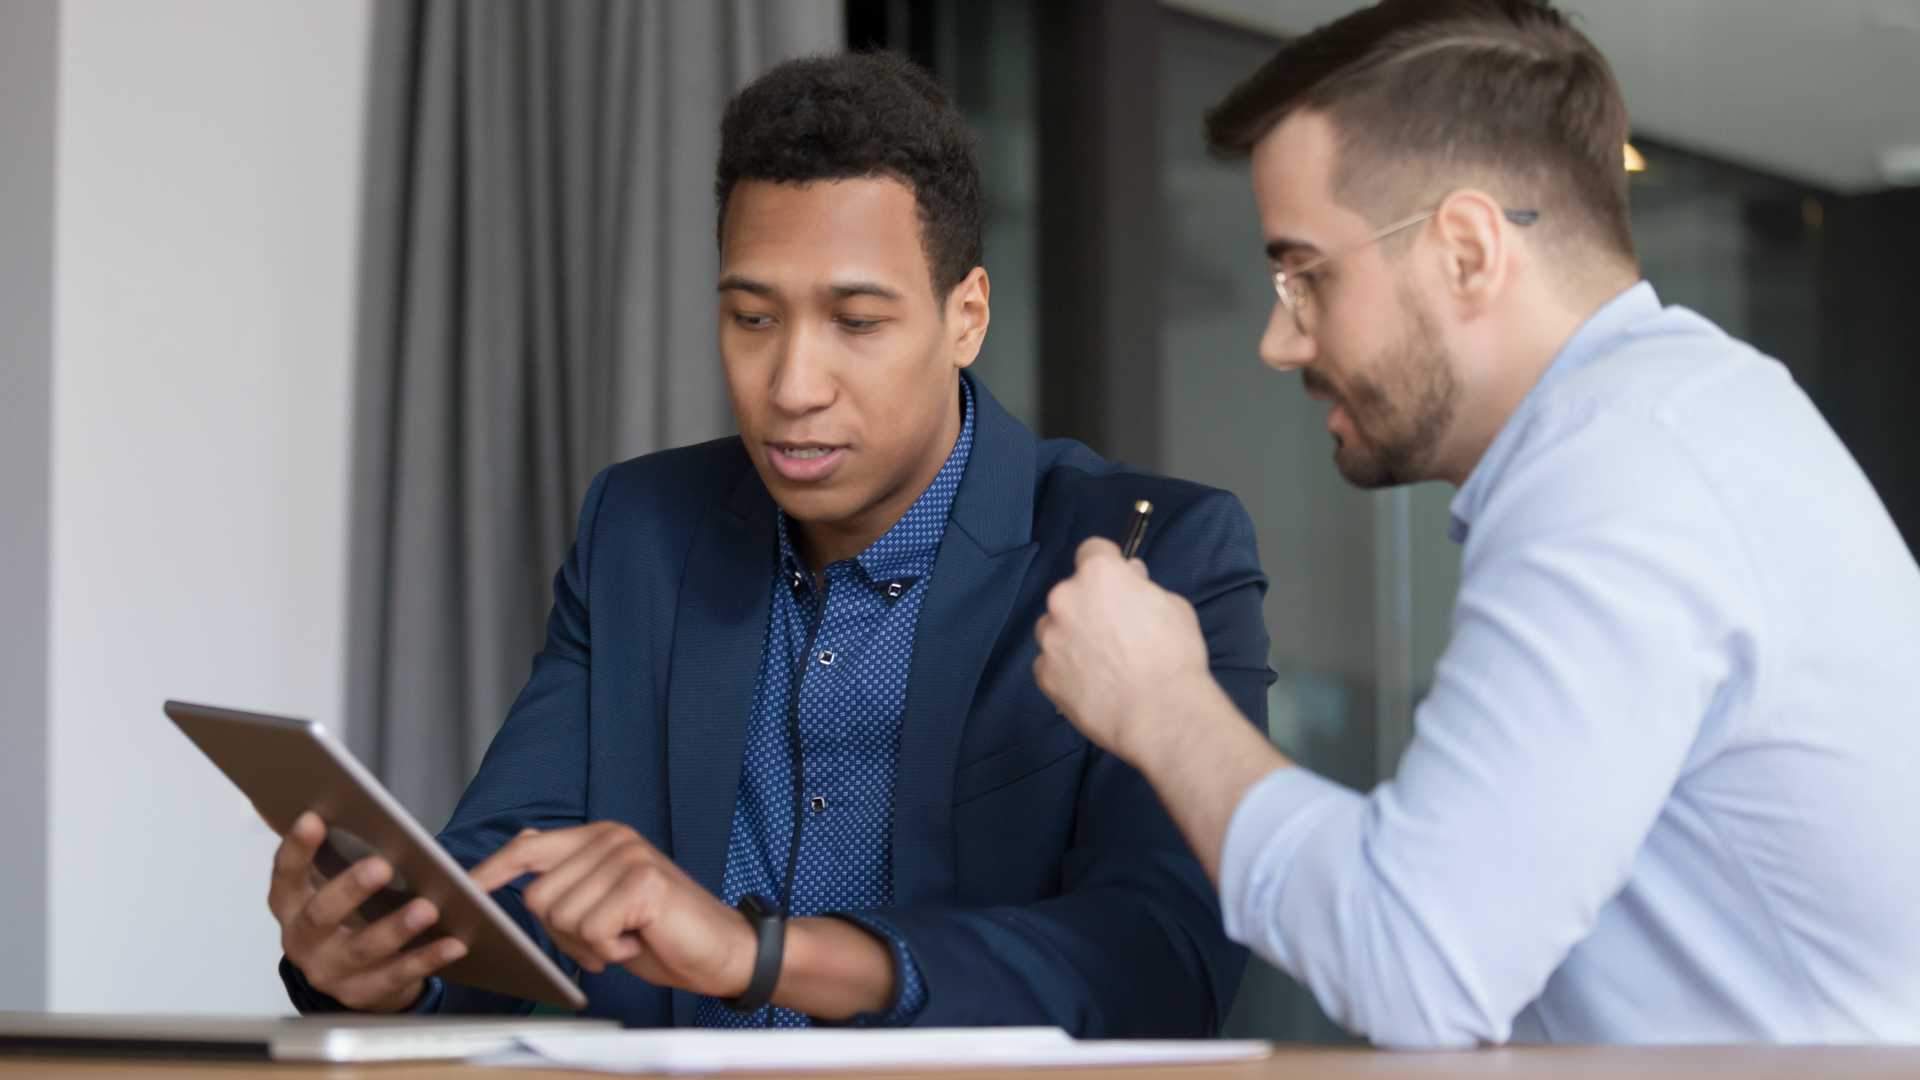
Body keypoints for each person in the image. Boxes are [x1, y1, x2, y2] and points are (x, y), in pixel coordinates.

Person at [267, 51, 1272, 1034]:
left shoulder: (1153, 550)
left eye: (857, 323)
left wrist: (761, 957)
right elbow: (510, 864)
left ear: (965, 317)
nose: (793, 385)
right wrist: (388, 962)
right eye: (752, 317)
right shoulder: (641, 529)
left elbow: (1161, 959)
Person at [1032, 0, 1920, 1047]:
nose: (1279, 339)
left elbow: (1414, 961)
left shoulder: (1623, 472)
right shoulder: (1684, 422)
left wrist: (1161, 703)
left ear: (1465, 249)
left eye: (1306, 274)